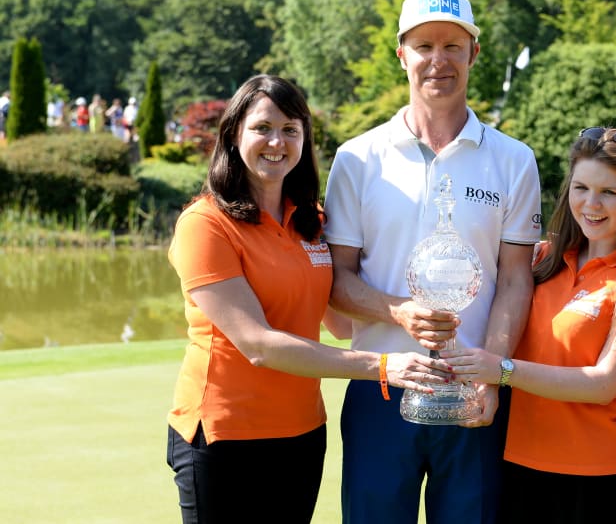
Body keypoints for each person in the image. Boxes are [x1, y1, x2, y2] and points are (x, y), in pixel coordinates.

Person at [166, 74, 452, 524]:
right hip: (224, 435)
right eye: (262, 128)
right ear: (234, 134)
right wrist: (381, 366)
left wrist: (417, 305)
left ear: (304, 138)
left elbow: (339, 321)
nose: (276, 142)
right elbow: (258, 345)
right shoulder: (205, 224)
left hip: (301, 432)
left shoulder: (312, 222)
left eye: (290, 129)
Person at [323, 0, 542, 524]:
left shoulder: (514, 161)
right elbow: (337, 279)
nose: (437, 60)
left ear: (474, 53)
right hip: (380, 388)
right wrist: (395, 310)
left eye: (452, 44)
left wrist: (490, 375)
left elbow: (516, 280)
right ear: (402, 55)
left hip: (473, 392)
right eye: (423, 45)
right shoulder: (357, 158)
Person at [443, 127, 616, 523]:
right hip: (520, 471)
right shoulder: (541, 262)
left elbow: (603, 384)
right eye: (581, 187)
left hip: (601, 481)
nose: (591, 204)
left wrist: (501, 370)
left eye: (610, 192)